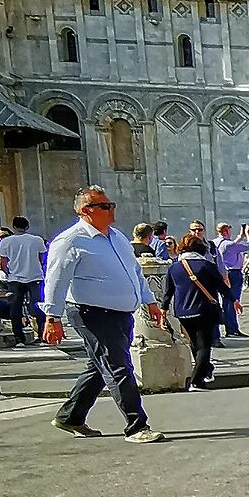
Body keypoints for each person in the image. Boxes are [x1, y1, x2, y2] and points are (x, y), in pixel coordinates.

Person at [40, 185, 166, 442]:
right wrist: (52, 317)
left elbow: (134, 272)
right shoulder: (70, 241)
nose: (111, 210)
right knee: (118, 366)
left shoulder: (117, 237)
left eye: (111, 205)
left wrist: (149, 300)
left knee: (100, 365)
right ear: (86, 211)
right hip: (91, 313)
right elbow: (55, 280)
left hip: (120, 313)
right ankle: (137, 426)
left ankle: (70, 416)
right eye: (105, 206)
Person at [165, 230, 231, 387]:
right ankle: (196, 380)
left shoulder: (175, 267)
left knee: (195, 344)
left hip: (182, 312)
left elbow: (168, 292)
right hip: (203, 310)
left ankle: (205, 372)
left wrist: (163, 308)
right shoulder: (207, 265)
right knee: (204, 346)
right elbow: (222, 287)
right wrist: (233, 299)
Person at [215, 221, 249, 336]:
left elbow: (232, 243)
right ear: (226, 231)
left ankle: (229, 327)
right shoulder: (228, 244)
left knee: (226, 301)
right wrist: (248, 235)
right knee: (233, 301)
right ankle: (232, 328)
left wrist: (240, 236)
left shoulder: (215, 243)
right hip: (233, 273)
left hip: (221, 272)